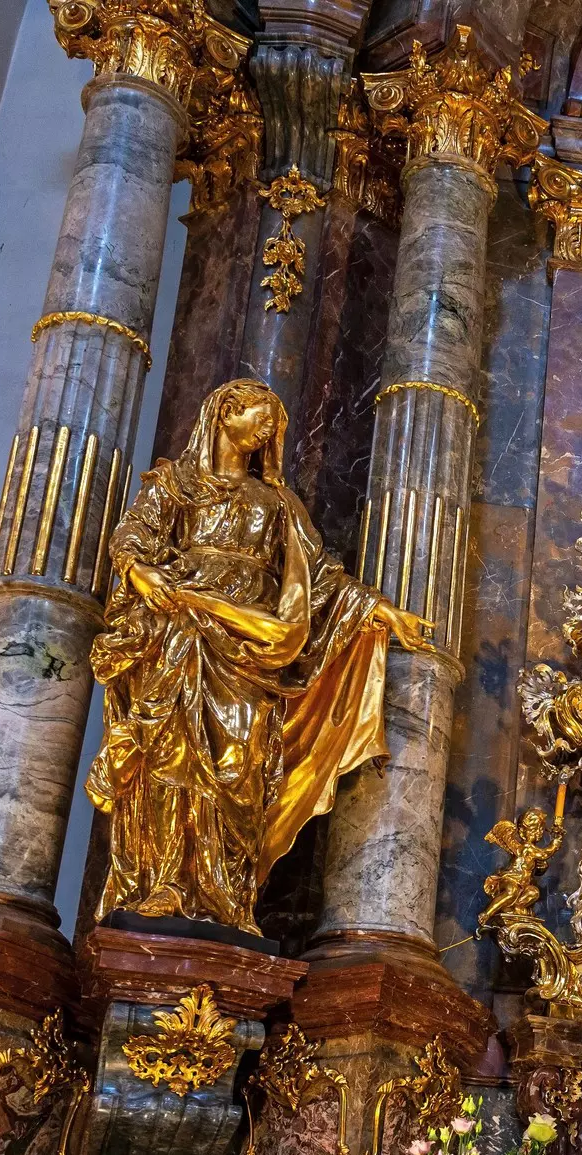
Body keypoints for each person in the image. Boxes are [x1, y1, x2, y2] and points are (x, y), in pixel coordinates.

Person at [85, 378, 428, 934]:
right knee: (171, 759)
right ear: (225, 411)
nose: (270, 430)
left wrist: (379, 611)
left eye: (275, 422)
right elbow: (133, 535)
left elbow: (317, 580)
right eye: (261, 416)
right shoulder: (174, 483)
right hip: (178, 637)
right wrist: (141, 572)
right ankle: (165, 883)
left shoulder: (276, 503)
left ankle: (222, 898)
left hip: (249, 652)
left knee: (241, 765)